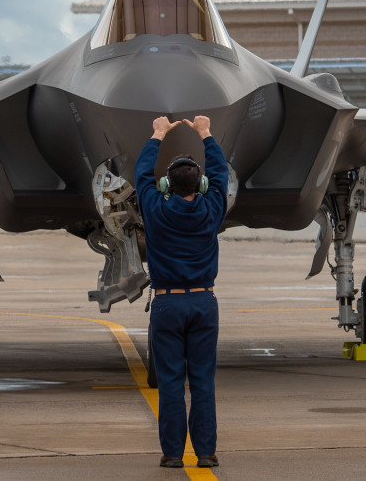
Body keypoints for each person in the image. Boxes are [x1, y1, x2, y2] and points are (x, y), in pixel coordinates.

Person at [134, 115, 229, 469]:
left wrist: (157, 134)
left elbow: (141, 175)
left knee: (171, 382)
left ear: (165, 185)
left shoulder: (155, 210)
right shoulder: (212, 208)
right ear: (201, 185)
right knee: (203, 381)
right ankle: (206, 453)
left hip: (166, 304)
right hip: (204, 301)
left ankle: (173, 454)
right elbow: (221, 175)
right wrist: (206, 132)